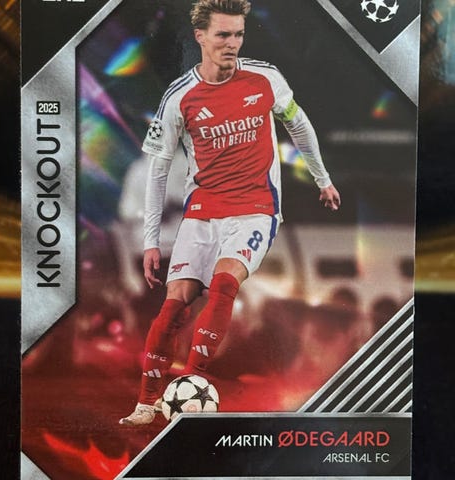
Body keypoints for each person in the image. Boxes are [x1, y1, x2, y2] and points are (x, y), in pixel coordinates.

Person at [120, 0, 341, 426]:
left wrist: (323, 179)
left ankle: (192, 384)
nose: (232, 43)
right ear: (200, 37)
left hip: (256, 209)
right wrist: (150, 242)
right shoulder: (178, 98)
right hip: (202, 212)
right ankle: (146, 404)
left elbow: (298, 124)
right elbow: (158, 171)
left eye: (238, 34)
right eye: (223, 35)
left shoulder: (266, 78)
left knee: (224, 284)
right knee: (173, 308)